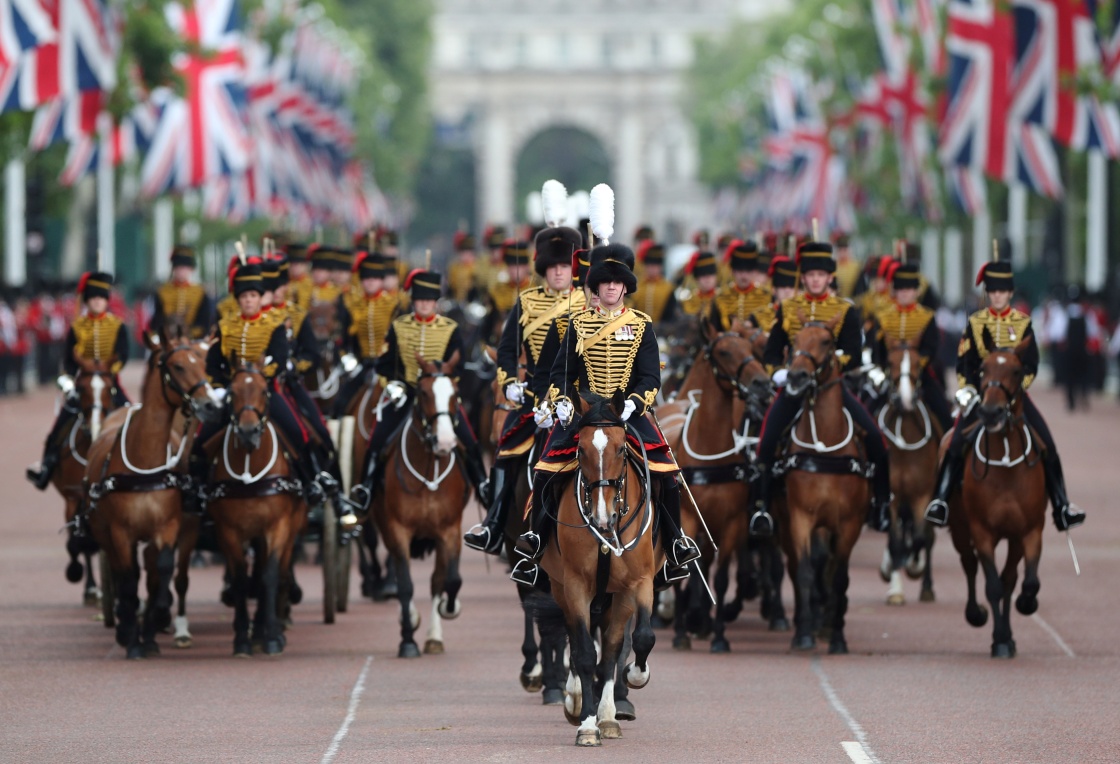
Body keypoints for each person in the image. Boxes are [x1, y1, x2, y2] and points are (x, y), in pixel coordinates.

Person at [510, 243, 701, 586]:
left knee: (668, 474)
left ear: (625, 288)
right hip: (585, 411)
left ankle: (675, 546)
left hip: (626, 410)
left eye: (617, 283)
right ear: (596, 288)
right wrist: (563, 400)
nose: (611, 287)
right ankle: (536, 542)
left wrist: (636, 401)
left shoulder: (641, 325)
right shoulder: (578, 324)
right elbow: (561, 373)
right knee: (545, 469)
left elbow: (649, 376)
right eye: (605, 283)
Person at [924, 260, 1086, 532]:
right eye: (993, 291)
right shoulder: (976, 322)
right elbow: (964, 361)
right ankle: (940, 501)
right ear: (988, 294)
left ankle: (1061, 505)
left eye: (1002, 291)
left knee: (1047, 442)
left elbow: (1031, 363)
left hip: (1014, 396)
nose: (997, 295)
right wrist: (968, 389)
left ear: (1010, 293)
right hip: (981, 397)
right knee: (955, 443)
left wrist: (1016, 389)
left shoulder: (1023, 323)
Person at [750, 241, 893, 536]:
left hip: (832, 388)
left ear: (830, 278)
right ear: (803, 278)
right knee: (766, 443)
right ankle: (761, 508)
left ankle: (880, 504)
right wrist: (777, 373)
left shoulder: (844, 309)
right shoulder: (789, 309)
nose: (815, 279)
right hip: (795, 389)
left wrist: (831, 363)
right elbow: (773, 352)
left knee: (877, 440)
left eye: (821, 275)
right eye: (810, 274)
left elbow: (853, 352)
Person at [464, 223, 585, 554]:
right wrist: (509, 382)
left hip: (579, 399)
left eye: (564, 266)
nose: (559, 273)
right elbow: (506, 350)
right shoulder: (527, 301)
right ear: (543, 269)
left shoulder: (587, 301)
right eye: (553, 267)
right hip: (535, 397)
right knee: (506, 450)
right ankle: (494, 524)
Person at [187, 259, 337, 513]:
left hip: (266, 392)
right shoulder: (225, 327)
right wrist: (223, 385)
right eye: (244, 296)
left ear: (260, 299)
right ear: (237, 299)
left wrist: (256, 378)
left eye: (253, 296)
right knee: (201, 440)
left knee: (298, 433)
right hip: (233, 393)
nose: (248, 301)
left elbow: (278, 362)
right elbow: (213, 366)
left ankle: (312, 481)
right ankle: (199, 489)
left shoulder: (274, 326)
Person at [349, 269, 491, 512]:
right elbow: (387, 363)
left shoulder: (450, 328)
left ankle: (482, 484)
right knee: (378, 437)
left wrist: (445, 384)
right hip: (406, 392)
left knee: (468, 438)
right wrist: (394, 384)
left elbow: (459, 365)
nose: (424, 304)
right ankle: (367, 488)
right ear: (413, 301)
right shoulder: (399, 327)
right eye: (420, 300)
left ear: (435, 302)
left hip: (438, 394)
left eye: (429, 300)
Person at [27, 272, 130, 489]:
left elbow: (122, 355)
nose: (97, 302)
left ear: (106, 301)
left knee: (131, 419)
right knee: (60, 426)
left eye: (101, 299)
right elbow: (68, 363)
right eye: (93, 299)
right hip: (83, 384)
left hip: (109, 383)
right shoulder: (76, 327)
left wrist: (108, 372)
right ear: (87, 301)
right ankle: (47, 465)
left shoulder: (117, 326)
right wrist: (67, 383)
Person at [870, 263, 952, 430]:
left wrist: (916, 364)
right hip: (891, 374)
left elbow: (931, 348)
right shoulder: (884, 317)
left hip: (920, 374)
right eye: (901, 289)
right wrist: (886, 366)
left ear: (916, 292)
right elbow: (877, 349)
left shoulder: (926, 317)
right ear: (895, 291)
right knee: (868, 410)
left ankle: (949, 452)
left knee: (943, 412)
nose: (905, 293)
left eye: (909, 289)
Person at [331, 253, 399, 418]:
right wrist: (347, 358)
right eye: (366, 278)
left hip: (389, 368)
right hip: (363, 365)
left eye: (375, 278)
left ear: (381, 280)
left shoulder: (394, 305)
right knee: (340, 404)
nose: (370, 282)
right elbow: (344, 339)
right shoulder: (353, 304)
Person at [147, 245, 215, 340]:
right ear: (173, 269)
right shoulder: (162, 292)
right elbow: (157, 319)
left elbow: (204, 321)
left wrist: (190, 335)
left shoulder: (200, 293)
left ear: (191, 269)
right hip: (167, 338)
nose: (181, 271)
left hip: (193, 339)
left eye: (184, 268)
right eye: (178, 267)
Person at [709, 239, 776, 332]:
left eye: (748, 271)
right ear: (733, 271)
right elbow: (714, 332)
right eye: (740, 271)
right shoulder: (720, 297)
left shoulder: (768, 296)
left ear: (754, 272)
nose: (744, 276)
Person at [630, 241, 677, 328]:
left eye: (656, 266)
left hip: (662, 331)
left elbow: (670, 315)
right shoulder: (637, 287)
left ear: (661, 267)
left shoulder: (668, 288)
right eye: (650, 265)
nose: (652, 269)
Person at [447, 231, 480, 304]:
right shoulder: (454, 268)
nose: (465, 255)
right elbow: (451, 288)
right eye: (463, 252)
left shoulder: (478, 268)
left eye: (468, 252)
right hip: (457, 303)